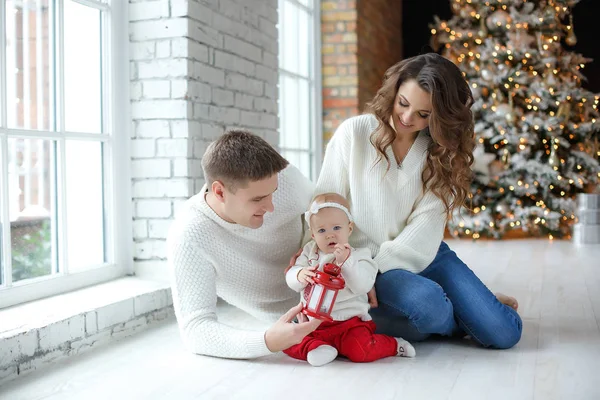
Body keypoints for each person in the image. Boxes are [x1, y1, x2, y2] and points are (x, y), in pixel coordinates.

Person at [314, 53, 522, 349]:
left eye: (424, 115)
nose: (408, 118)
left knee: (504, 333)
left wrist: (376, 270)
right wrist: (353, 268)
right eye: (403, 103)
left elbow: (426, 224)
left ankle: (465, 310)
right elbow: (325, 208)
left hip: (424, 251)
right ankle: (460, 314)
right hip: (364, 260)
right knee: (427, 305)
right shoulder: (355, 133)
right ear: (394, 93)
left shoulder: (442, 153)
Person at [167, 129, 321, 359]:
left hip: (347, 289)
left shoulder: (286, 179)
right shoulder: (189, 234)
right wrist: (267, 341)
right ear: (220, 191)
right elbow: (195, 329)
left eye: (273, 193)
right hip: (303, 321)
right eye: (258, 199)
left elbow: (333, 211)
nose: (270, 207)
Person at [283, 193, 415, 366]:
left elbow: (363, 286)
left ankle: (394, 345)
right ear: (313, 235)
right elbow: (292, 276)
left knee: (361, 351)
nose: (330, 235)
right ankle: (319, 347)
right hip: (312, 323)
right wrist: (298, 275)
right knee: (286, 340)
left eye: (336, 228)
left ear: (349, 229)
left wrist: (346, 263)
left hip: (349, 323)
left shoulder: (360, 255)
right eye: (322, 230)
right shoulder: (309, 252)